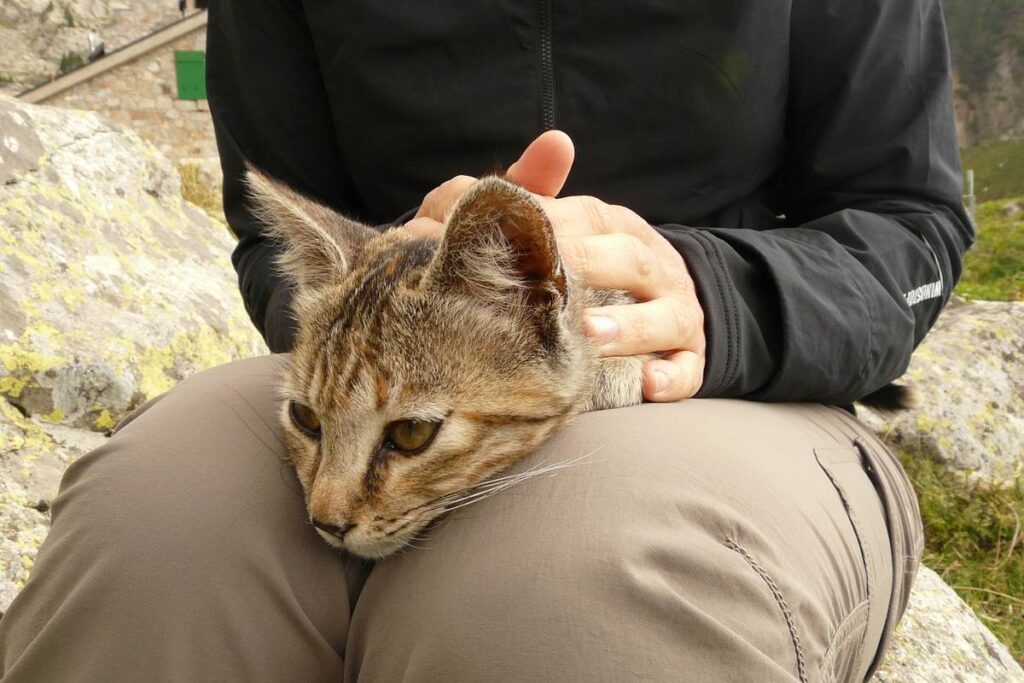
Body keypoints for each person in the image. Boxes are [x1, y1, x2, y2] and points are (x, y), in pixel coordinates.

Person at [0, 0, 972, 681]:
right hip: (387, 373)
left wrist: (724, 293)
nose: (322, 510)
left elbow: (909, 224)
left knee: (563, 604)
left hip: (734, 377)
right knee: (145, 538)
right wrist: (381, 291)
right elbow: (273, 231)